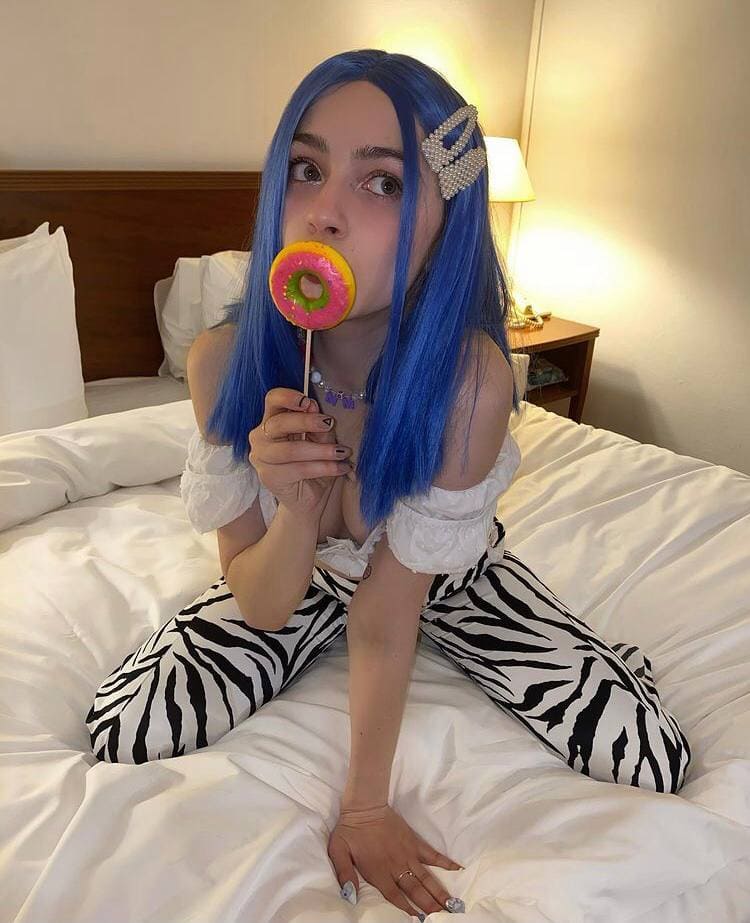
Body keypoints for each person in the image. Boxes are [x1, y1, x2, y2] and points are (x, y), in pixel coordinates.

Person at [86, 49, 691, 919]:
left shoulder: (469, 385)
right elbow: (261, 602)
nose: (325, 213)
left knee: (649, 753)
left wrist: (365, 805)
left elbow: (388, 607)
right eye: (307, 169)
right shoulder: (222, 364)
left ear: (447, 222)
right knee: (127, 725)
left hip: (440, 577)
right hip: (297, 572)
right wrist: (296, 513)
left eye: (384, 184)